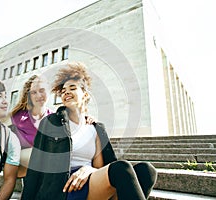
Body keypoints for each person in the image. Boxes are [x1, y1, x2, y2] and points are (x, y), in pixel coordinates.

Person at [21, 62, 157, 200]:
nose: (66, 92)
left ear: (85, 95)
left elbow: (100, 167)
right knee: (121, 168)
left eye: (72, 88)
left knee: (147, 170)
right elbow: (35, 166)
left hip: (90, 180)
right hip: (64, 186)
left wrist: (88, 169)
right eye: (63, 91)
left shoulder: (95, 128)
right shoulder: (51, 122)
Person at [0, 75, 95, 178]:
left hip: (38, 169)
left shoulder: (54, 118)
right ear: (29, 95)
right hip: (18, 163)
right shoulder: (17, 116)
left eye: (42, 91)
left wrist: (87, 119)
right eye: (34, 92)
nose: (39, 96)